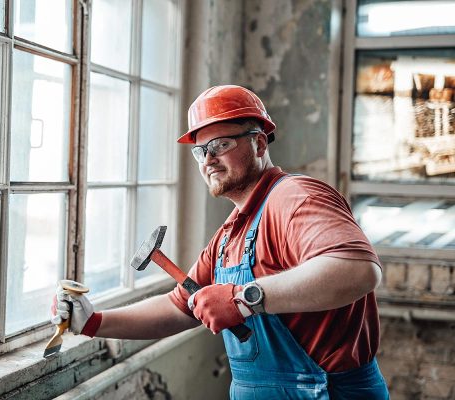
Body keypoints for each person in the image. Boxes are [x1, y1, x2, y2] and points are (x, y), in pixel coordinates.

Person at [52, 85, 389, 399]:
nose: (208, 160)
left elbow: (357, 270)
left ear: (259, 143)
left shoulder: (296, 197)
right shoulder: (230, 233)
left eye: (221, 145)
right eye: (201, 151)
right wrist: (95, 322)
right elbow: (180, 307)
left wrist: (245, 299)